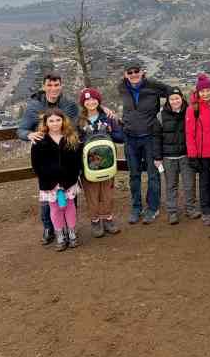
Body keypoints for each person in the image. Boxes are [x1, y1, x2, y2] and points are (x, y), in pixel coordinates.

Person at [18, 71, 80, 245]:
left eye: (56, 85)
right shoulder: (33, 106)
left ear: (61, 86)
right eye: (50, 85)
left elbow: (75, 125)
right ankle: (49, 227)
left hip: (66, 154)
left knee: (70, 198)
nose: (53, 89)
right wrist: (30, 135)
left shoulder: (69, 105)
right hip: (46, 158)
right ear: (44, 86)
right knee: (49, 200)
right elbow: (21, 130)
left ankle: (70, 229)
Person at [116, 60, 171, 225]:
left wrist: (164, 115)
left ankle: (153, 208)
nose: (133, 74)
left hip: (149, 137)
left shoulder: (153, 85)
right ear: (126, 74)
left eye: (136, 71)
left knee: (153, 175)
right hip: (130, 137)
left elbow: (173, 93)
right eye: (130, 72)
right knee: (134, 175)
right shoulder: (122, 87)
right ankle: (136, 207)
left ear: (142, 72)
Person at [30, 109, 82, 251]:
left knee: (69, 206)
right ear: (46, 123)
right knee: (55, 208)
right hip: (50, 183)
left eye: (58, 120)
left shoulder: (71, 138)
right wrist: (50, 180)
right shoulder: (39, 141)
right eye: (51, 120)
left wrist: (70, 178)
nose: (55, 123)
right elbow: (36, 165)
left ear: (63, 121)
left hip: (68, 181)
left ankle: (71, 233)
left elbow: (77, 161)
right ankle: (60, 234)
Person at [76, 88, 124, 238]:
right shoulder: (78, 121)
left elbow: (120, 137)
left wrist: (111, 130)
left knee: (107, 192)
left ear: (99, 101)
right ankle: (95, 220)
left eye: (94, 99)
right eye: (87, 100)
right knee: (92, 194)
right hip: (87, 165)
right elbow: (74, 142)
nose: (91, 102)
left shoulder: (107, 117)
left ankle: (108, 218)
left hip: (107, 162)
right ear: (83, 103)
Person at [153, 87, 197, 225]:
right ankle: (172, 212)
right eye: (172, 99)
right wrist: (157, 157)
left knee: (189, 184)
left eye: (177, 98)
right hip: (168, 157)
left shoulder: (190, 112)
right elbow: (156, 137)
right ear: (168, 100)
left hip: (186, 155)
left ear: (182, 98)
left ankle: (190, 208)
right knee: (171, 185)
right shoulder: (160, 116)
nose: (175, 101)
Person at [186, 74, 210, 227]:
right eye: (202, 91)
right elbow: (190, 133)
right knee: (205, 182)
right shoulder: (193, 109)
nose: (205, 93)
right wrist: (192, 155)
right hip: (202, 154)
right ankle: (206, 211)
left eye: (208, 90)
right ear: (198, 92)